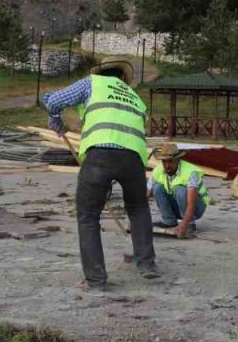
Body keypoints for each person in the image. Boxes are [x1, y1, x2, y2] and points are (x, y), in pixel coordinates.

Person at [43, 57, 159, 290]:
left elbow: (54, 100)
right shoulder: (135, 97)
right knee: (138, 208)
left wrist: (54, 117)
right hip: (135, 157)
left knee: (88, 216)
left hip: (100, 155)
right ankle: (146, 263)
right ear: (122, 78)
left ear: (102, 72)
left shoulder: (92, 83)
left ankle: (96, 279)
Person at [147, 142, 210, 238]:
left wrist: (184, 225)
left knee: (180, 190)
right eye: (164, 162)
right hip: (177, 204)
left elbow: (192, 203)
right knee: (157, 188)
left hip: (197, 207)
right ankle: (169, 222)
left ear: (177, 160)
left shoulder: (191, 172)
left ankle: (190, 224)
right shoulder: (157, 170)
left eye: (170, 161)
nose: (167, 166)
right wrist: (137, 220)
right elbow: (146, 194)